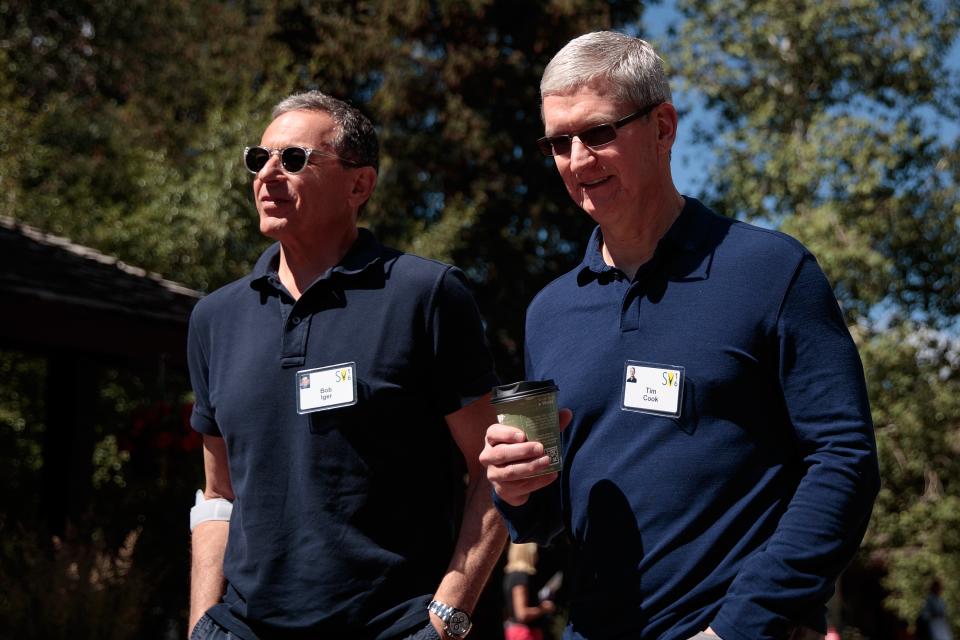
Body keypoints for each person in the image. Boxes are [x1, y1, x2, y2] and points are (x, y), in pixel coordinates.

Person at [479, 31, 880, 640]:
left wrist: (743, 626)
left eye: (599, 132)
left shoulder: (771, 272)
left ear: (663, 127)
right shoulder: (549, 310)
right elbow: (545, 517)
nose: (578, 160)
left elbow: (844, 462)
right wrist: (517, 488)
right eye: (559, 143)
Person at [187, 90, 507, 640]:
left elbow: (493, 468)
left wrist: (447, 618)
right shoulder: (215, 317)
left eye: (293, 160)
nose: (268, 174)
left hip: (392, 627)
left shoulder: (425, 295)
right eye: (257, 159)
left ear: (359, 185)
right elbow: (219, 495)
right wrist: (200, 625)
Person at [503, 543, 556, 640]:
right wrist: (543, 609)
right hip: (525, 633)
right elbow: (522, 614)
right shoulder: (521, 576)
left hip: (514, 631)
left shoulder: (511, 575)